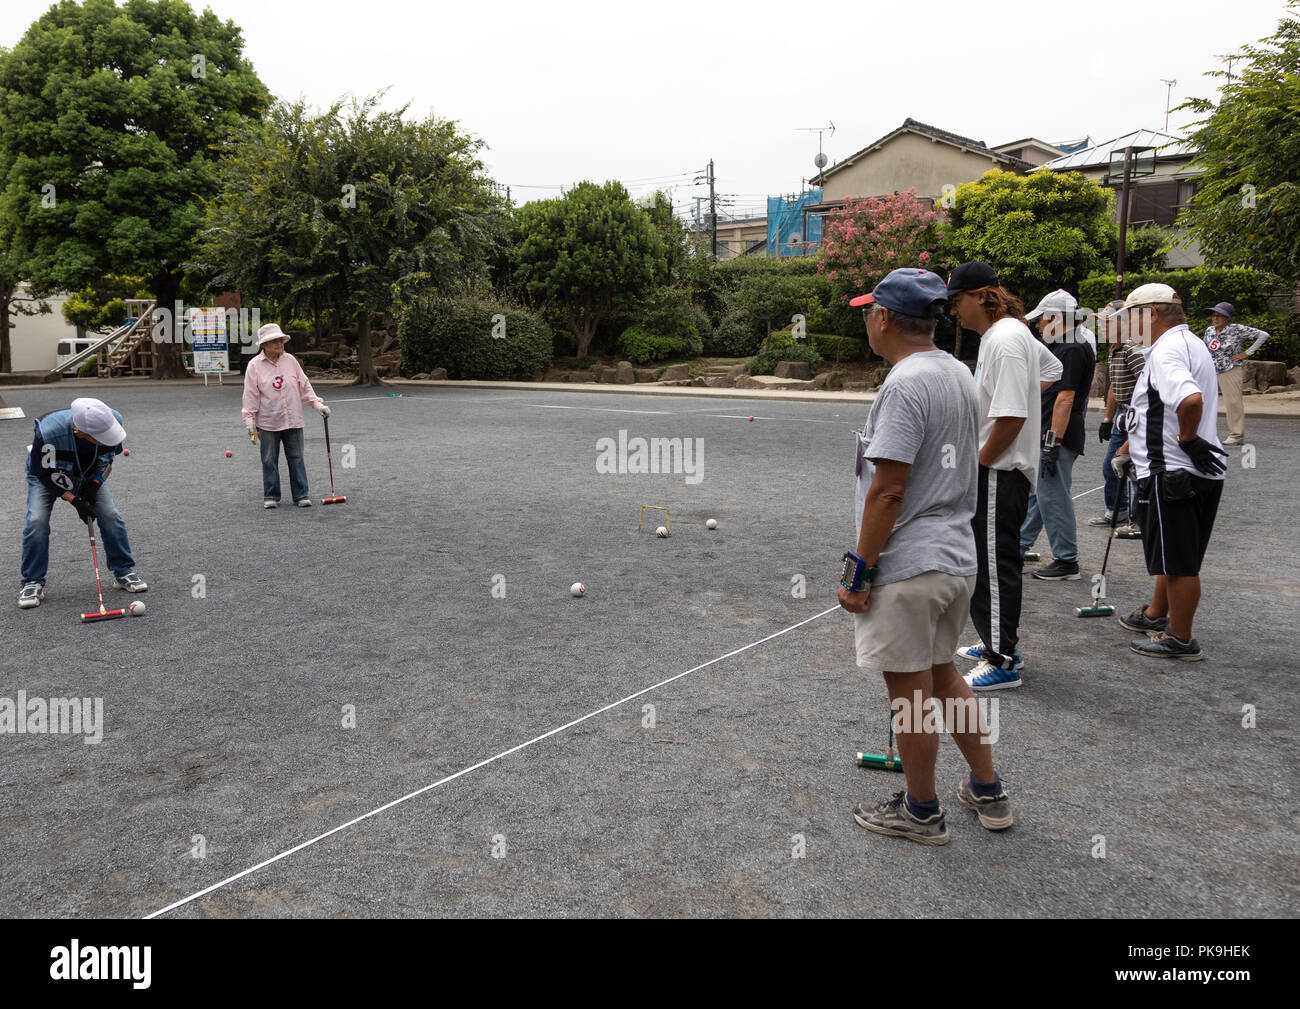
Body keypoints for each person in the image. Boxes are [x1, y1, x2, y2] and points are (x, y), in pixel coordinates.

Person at [838, 268, 1011, 845]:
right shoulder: (957, 371)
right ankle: (987, 790)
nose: (866, 319)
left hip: (911, 564)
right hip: (957, 558)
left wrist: (857, 570)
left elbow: (889, 488)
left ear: (884, 318)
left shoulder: (905, 384)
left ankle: (920, 811)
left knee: (910, 697)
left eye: (868, 310)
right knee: (946, 680)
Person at [946, 262, 1062, 691]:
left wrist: (979, 461)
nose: (954, 311)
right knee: (990, 560)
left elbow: (1012, 415)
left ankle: (1003, 658)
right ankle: (996, 639)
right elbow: (1052, 372)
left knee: (994, 565)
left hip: (998, 470)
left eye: (957, 301)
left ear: (980, 296)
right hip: (1001, 468)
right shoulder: (1011, 334)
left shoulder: (1007, 340)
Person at [1114, 284, 1227, 659]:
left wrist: (1186, 437)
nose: (1129, 324)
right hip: (1193, 471)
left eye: (1132, 316)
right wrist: (1134, 446)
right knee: (1173, 553)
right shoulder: (1191, 342)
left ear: (1152, 314)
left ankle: (1180, 638)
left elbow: (1189, 398)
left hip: (1172, 471)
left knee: (1180, 562)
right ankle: (1156, 612)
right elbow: (1155, 411)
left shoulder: (1165, 351)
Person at [19, 397, 146, 608]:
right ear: (80, 433)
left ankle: (123, 571)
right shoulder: (48, 432)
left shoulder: (111, 421)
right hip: (49, 474)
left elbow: (107, 461)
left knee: (111, 516)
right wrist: (75, 500)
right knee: (36, 521)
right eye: (101, 438)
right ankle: (32, 581)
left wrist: (94, 484)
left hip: (88, 475)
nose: (108, 439)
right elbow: (43, 474)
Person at [1019, 290, 1096, 580]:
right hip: (1057, 433)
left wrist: (1052, 443)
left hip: (1057, 434)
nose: (1037, 326)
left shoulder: (1072, 348)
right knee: (1042, 495)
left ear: (1055, 318)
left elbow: (1065, 398)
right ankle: (1018, 545)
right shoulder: (1069, 344)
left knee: (1053, 497)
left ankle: (1066, 560)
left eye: (1040, 319)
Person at [241, 323, 330, 508]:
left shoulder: (291, 360)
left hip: (293, 419)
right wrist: (249, 421)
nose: (279, 344)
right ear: (263, 345)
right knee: (269, 460)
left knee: (297, 457)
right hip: (267, 422)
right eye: (274, 341)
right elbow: (250, 395)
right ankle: (271, 496)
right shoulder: (254, 366)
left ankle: (301, 495)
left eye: (281, 340)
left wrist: (317, 404)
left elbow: (304, 385)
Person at [1088, 301, 1146, 527]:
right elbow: (1114, 386)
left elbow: (1149, 386)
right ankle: (1117, 511)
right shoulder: (1114, 348)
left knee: (1137, 468)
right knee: (1111, 465)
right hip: (1123, 414)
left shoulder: (1132, 350)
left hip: (1138, 414)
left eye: (1107, 322)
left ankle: (1138, 518)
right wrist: (1107, 419)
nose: (1102, 327)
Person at [1202, 301, 1269, 445]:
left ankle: (1236, 435)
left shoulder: (1236, 329)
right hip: (1210, 369)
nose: (1215, 319)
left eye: (1219, 316)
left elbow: (1263, 335)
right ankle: (1202, 433)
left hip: (1230, 369)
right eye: (1214, 315)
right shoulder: (1209, 330)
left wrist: (1246, 353)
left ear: (1227, 318)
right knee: (1203, 400)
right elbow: (1204, 348)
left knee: (1233, 402)